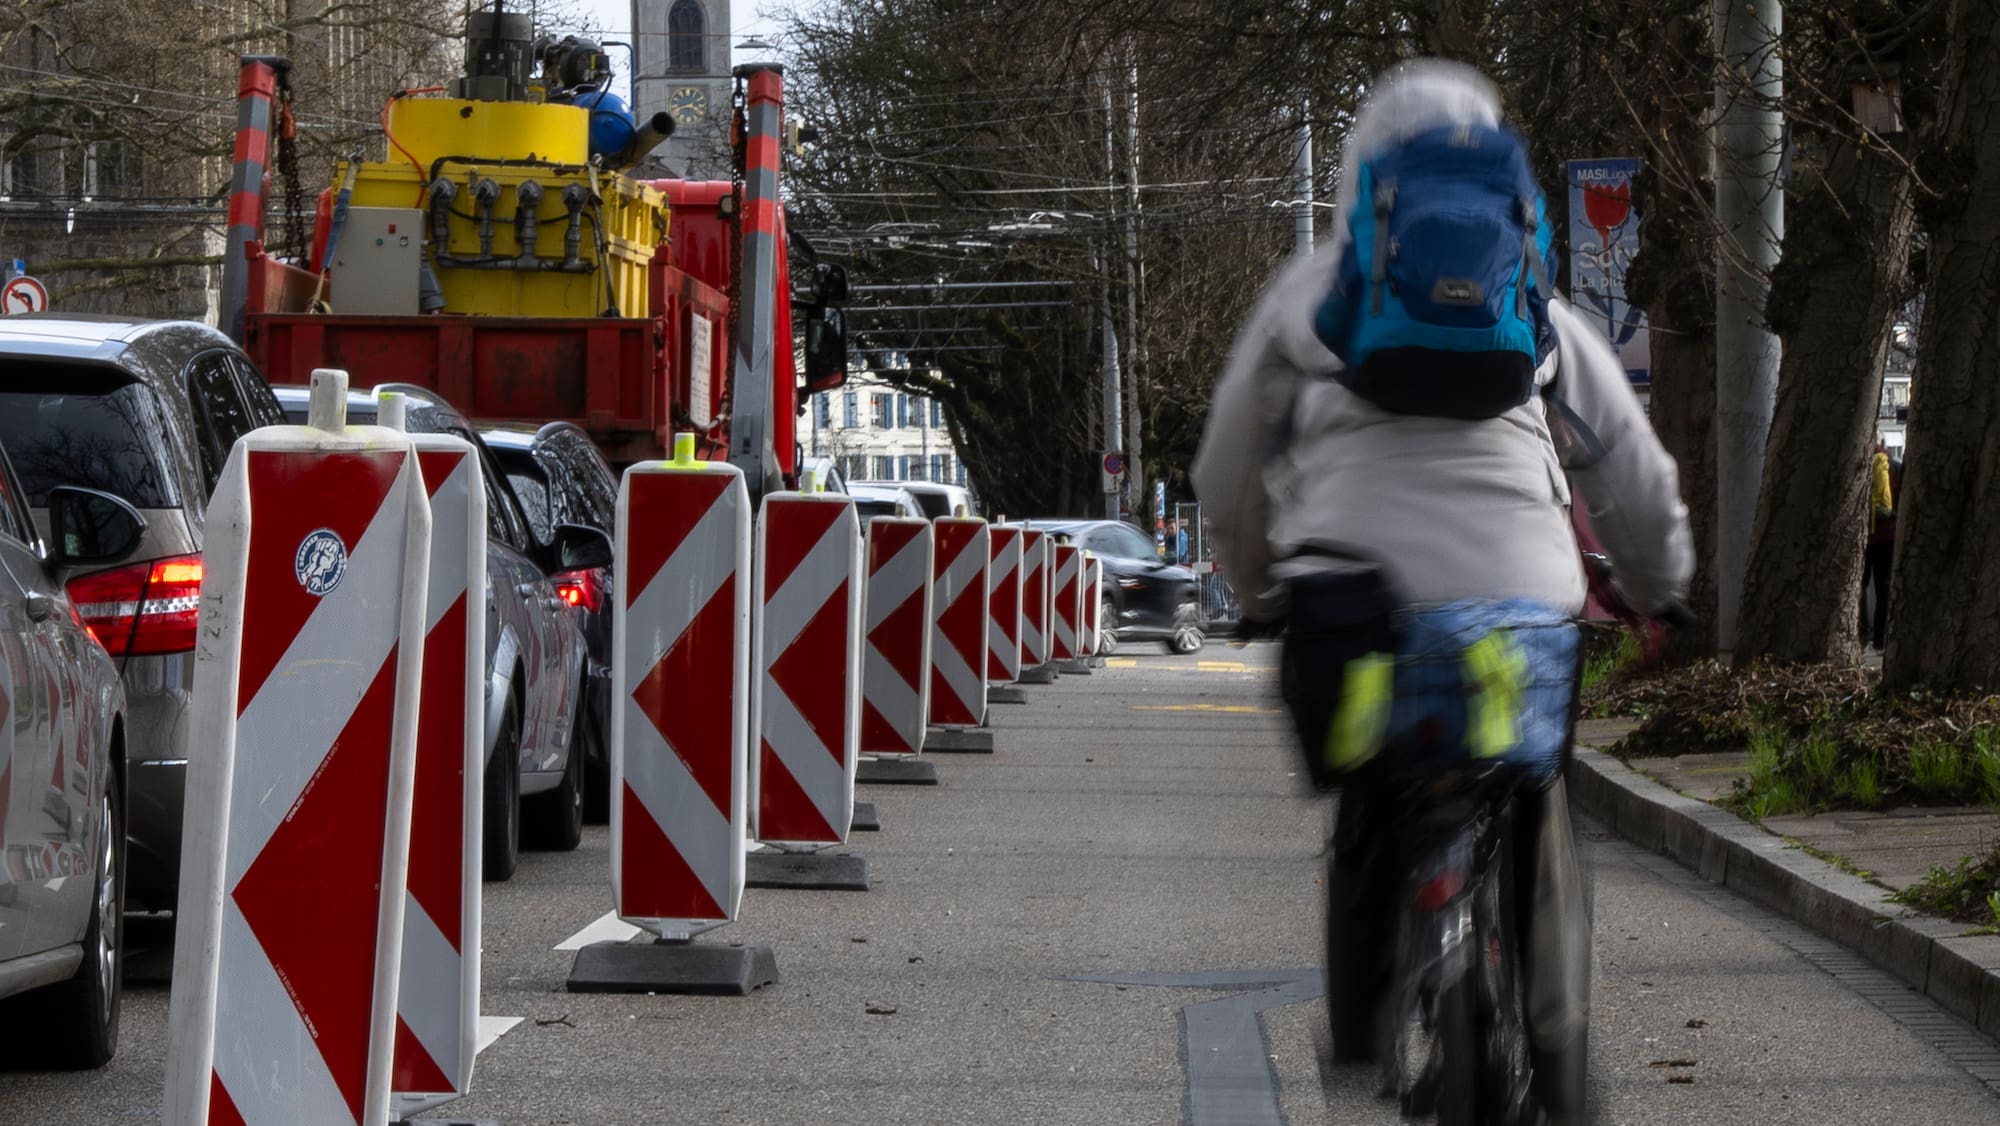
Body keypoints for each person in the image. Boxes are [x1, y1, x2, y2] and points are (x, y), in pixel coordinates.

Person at [1192, 59, 1692, 1124]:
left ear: (1360, 174)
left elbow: (1227, 472)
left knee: (1370, 776)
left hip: (1351, 612)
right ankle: (1557, 1048)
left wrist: (1258, 587)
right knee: (1536, 787)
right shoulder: (1532, 303)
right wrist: (1659, 588)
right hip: (1518, 602)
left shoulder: (1309, 292)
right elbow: (1629, 473)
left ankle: (1365, 1024)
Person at [1861, 442, 1895, 651]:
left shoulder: (1859, 466)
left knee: (1859, 587)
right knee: (1884, 588)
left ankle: (1862, 633)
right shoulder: (1892, 467)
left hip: (1863, 537)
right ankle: (1880, 639)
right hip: (1886, 537)